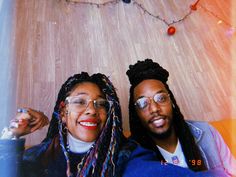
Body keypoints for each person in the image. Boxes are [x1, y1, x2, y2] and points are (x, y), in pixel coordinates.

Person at [0, 71, 227, 177]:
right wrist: (10, 136)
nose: (92, 109)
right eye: (80, 101)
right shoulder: (42, 153)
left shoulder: (125, 157)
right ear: (63, 110)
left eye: (101, 104)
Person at [126, 58, 236, 176]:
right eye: (142, 103)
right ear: (136, 113)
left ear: (171, 101)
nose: (154, 109)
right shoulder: (133, 156)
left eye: (161, 98)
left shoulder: (207, 132)